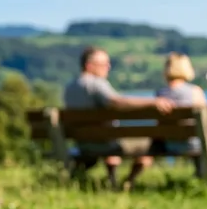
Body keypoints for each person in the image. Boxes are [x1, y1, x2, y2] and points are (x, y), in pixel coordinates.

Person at [63, 46, 174, 188]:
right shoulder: (96, 83)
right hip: (106, 143)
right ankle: (129, 181)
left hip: (83, 143)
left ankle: (109, 179)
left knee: (109, 133)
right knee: (154, 142)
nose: (108, 67)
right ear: (89, 66)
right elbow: (115, 101)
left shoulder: (70, 87)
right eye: (103, 64)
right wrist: (153, 102)